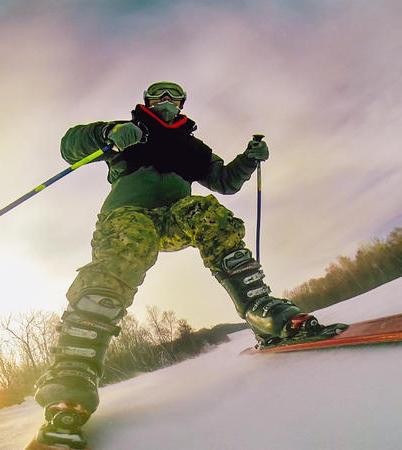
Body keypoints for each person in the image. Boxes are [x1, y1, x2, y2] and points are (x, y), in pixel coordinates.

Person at [28, 81, 342, 449]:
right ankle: (72, 375)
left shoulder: (192, 147)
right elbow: (70, 145)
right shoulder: (130, 132)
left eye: (173, 96)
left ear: (181, 105)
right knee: (129, 245)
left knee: (207, 212)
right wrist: (108, 133)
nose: (166, 101)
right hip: (128, 213)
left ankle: (260, 309)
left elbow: (224, 181)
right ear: (146, 102)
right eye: (158, 95)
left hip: (174, 217)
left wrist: (248, 160)